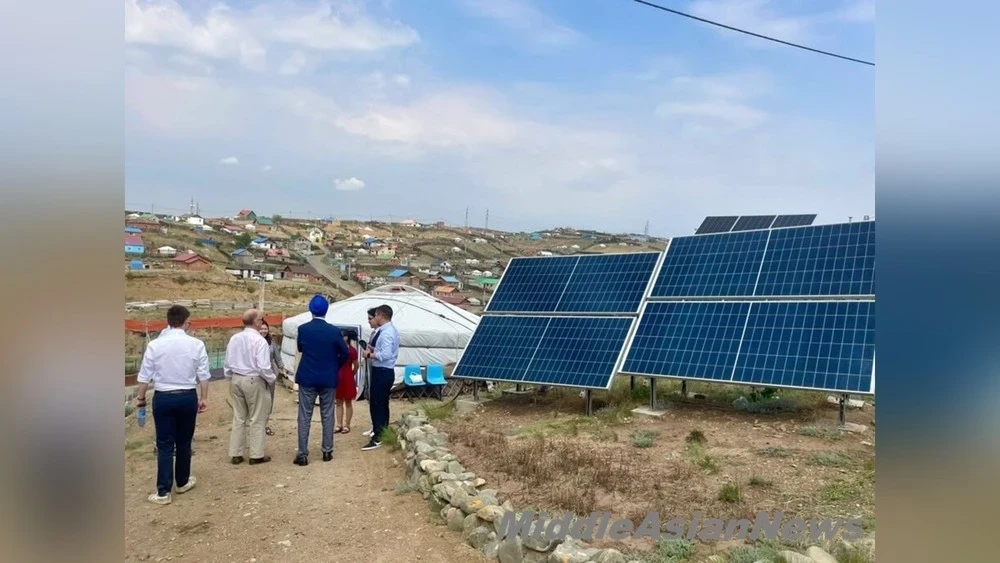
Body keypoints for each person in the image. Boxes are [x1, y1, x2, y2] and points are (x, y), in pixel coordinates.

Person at [135, 305, 210, 505]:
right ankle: (182, 481)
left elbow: (144, 376)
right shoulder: (196, 344)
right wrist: (203, 397)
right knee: (184, 441)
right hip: (187, 396)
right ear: (186, 322)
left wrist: (141, 399)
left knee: (165, 444)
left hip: (163, 396)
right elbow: (203, 374)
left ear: (168, 321)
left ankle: (163, 491)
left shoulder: (155, 345)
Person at [293, 295, 349, 465]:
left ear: (310, 309)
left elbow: (300, 348)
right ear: (327, 310)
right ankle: (327, 451)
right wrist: (335, 366)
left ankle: (302, 454)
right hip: (328, 378)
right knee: (327, 414)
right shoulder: (334, 331)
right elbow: (345, 353)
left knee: (304, 415)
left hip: (307, 377)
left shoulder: (303, 329)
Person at [224, 309, 276, 465]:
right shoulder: (259, 341)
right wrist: (271, 379)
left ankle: (236, 453)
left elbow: (228, 362)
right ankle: (256, 454)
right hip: (254, 379)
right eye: (260, 319)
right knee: (257, 417)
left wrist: (230, 377)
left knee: (239, 417)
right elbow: (263, 366)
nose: (262, 322)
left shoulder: (235, 338)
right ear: (255, 322)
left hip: (237, 378)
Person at [362, 304, 399, 451]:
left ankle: (378, 437)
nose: (374, 318)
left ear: (381, 316)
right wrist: (374, 348)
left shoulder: (387, 333)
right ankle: (382, 431)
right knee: (381, 403)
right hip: (383, 371)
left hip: (383, 371)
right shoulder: (388, 330)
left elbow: (386, 354)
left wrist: (369, 354)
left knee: (377, 404)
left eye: (376, 315)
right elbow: (384, 350)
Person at [258, 319, 281, 436]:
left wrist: (282, 368)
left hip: (270, 375)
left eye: (265, 329)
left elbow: (277, 357)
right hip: (257, 376)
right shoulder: (254, 341)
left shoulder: (271, 342)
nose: (263, 331)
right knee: (258, 400)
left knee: (269, 400)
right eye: (261, 328)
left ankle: (265, 424)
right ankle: (257, 425)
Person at [334, 330, 359, 434]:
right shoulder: (336, 349)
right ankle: (339, 424)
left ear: (346, 337)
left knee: (348, 401)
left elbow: (356, 364)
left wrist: (353, 373)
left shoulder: (352, 351)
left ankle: (347, 424)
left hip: (347, 375)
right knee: (338, 401)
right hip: (339, 376)